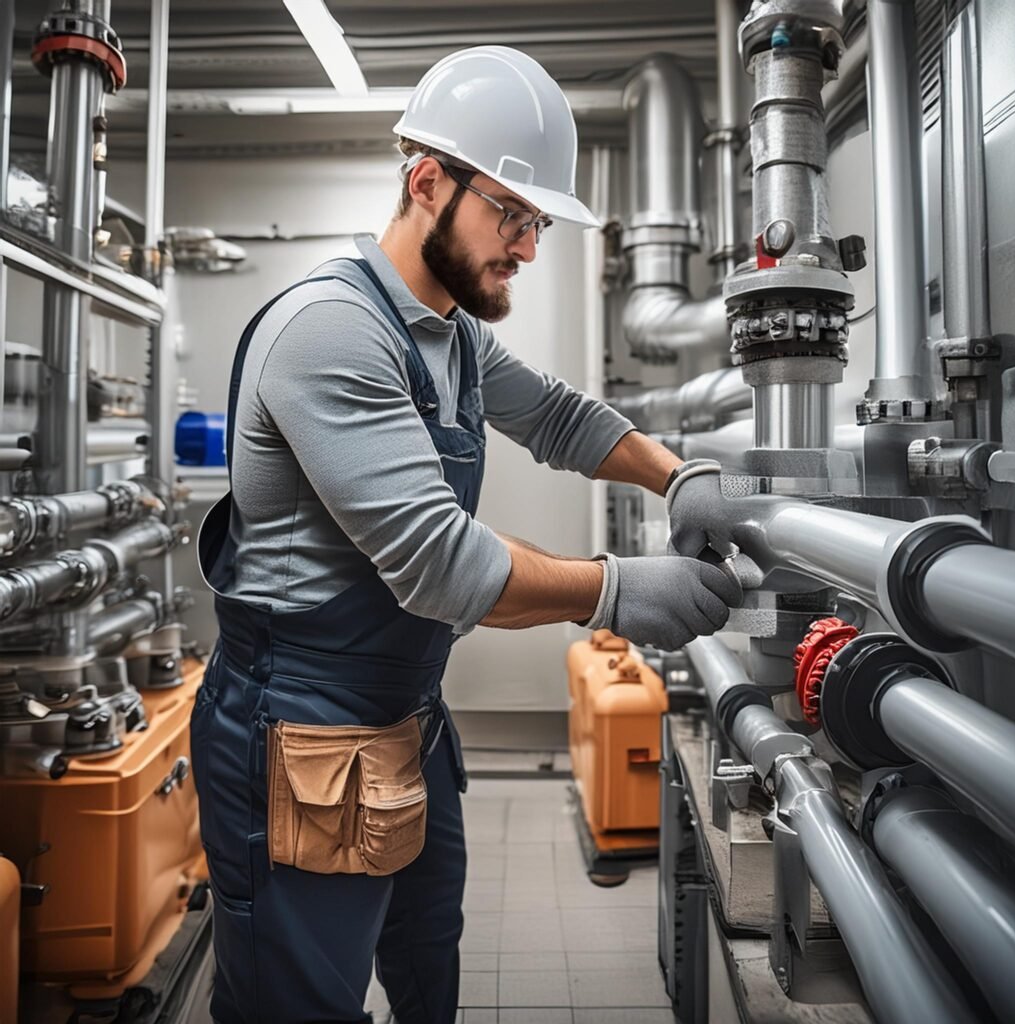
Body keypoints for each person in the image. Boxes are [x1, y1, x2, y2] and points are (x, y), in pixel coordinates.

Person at [192, 44, 741, 1024]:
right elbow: (439, 563)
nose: (528, 246)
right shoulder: (331, 330)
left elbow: (563, 419)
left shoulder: (449, 332)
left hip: (405, 718)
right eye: (512, 214)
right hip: (300, 737)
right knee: (299, 1004)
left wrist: (680, 473)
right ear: (426, 182)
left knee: (425, 970)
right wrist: (617, 587)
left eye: (536, 223)